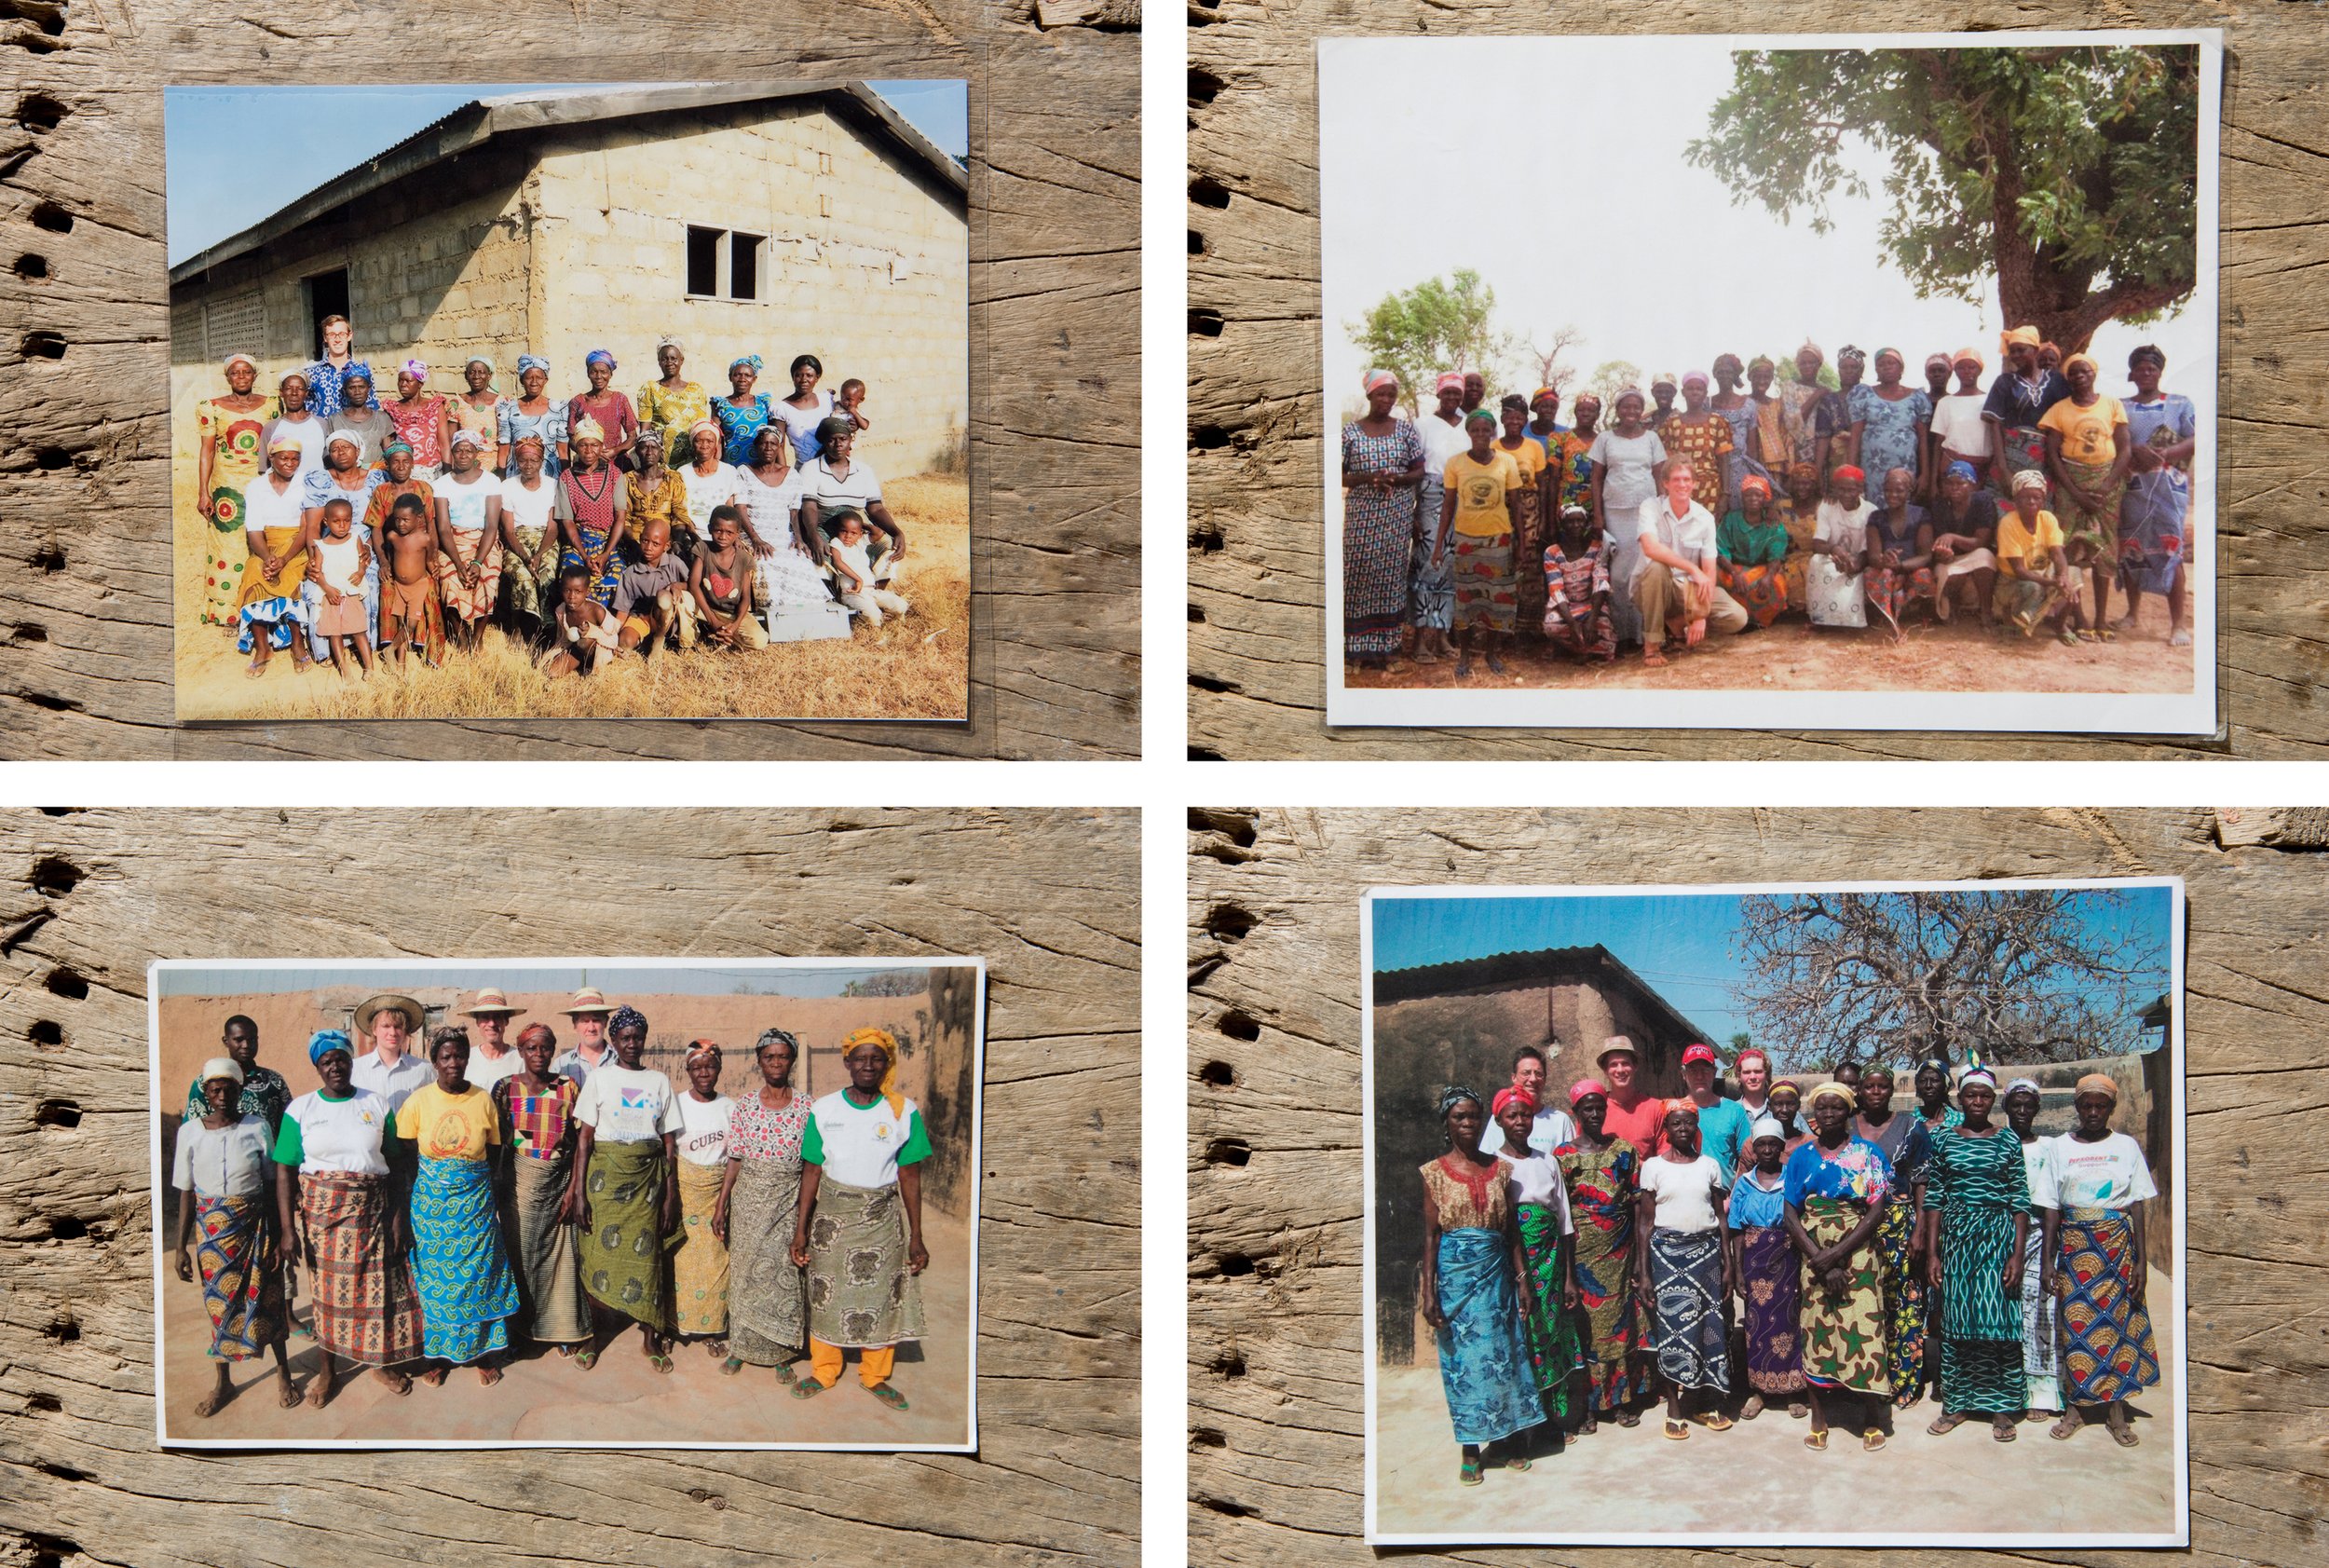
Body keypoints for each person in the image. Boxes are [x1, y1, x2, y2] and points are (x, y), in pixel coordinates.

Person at [273, 1029, 424, 1405]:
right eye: (327, 1061)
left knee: (377, 1293)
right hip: (322, 1219)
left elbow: (397, 1161)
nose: (335, 1066)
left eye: (341, 1058)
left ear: (350, 1062)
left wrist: (397, 1216)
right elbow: (284, 1171)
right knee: (327, 1299)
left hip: (373, 1211)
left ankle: (380, 1364)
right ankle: (328, 1372)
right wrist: (287, 1230)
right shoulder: (302, 1109)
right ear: (318, 1067)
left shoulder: (375, 1103)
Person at [790, 1028, 933, 1409]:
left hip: (881, 1218)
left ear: (887, 1064)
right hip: (832, 1220)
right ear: (847, 1063)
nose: (868, 1065)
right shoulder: (824, 1109)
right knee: (826, 1294)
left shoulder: (904, 1110)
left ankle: (874, 1375)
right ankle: (824, 1369)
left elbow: (910, 1175)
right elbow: (811, 1171)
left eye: (877, 1058)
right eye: (860, 1058)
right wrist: (801, 1230)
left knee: (880, 1295)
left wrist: (916, 1234)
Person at [1415, 1085, 1540, 1482]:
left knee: (1506, 1356)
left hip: (1497, 1276)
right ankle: (1471, 1447)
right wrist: (1429, 1292)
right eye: (1459, 1117)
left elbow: (1511, 1233)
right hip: (1456, 1282)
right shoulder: (1433, 1173)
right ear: (1447, 1124)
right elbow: (1432, 1237)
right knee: (1464, 1365)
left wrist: (1523, 1281)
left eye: (1473, 1116)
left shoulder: (1501, 1169)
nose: (1467, 1123)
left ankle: (1510, 1440)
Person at [2036, 1073, 2160, 1446]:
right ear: (2077, 1107)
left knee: (2119, 1327)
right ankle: (2076, 1409)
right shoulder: (2059, 1147)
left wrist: (2141, 1261)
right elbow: (2052, 1211)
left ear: (2111, 1108)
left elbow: (2137, 1206)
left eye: (2100, 1106)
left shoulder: (2125, 1146)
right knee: (2075, 1328)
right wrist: (2047, 1261)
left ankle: (2116, 1413)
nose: (2093, 1112)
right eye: (2086, 1105)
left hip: (2116, 1250)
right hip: (2074, 1250)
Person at [397, 1026, 519, 1384]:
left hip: (476, 1207)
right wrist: (406, 1214)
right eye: (446, 1057)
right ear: (435, 1061)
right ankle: (438, 1357)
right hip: (432, 1210)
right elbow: (406, 1163)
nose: (454, 1063)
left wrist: (491, 1201)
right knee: (437, 1285)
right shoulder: (418, 1102)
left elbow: (495, 1155)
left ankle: (483, 1354)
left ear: (467, 1058)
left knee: (479, 1280)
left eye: (460, 1056)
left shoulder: (482, 1099)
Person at [173, 1056, 294, 1414]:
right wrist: (180, 1247)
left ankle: (284, 1373)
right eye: (216, 1088)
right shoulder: (190, 1132)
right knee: (218, 1306)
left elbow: (273, 1185)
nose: (223, 1094)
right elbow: (185, 1191)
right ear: (207, 1093)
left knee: (268, 1301)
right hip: (213, 1235)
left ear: (240, 1090)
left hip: (255, 1228)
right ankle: (223, 1382)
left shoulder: (257, 1127)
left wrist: (275, 1235)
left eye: (230, 1088)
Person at [566, 1004, 682, 1371]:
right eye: (625, 1037)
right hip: (605, 1183)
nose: (632, 1043)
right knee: (598, 1257)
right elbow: (584, 1140)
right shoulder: (600, 1080)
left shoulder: (660, 1081)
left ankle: (650, 1338)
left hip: (647, 1186)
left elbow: (668, 1144)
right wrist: (580, 1193)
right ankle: (595, 1335)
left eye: (638, 1037)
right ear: (614, 1041)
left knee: (647, 1260)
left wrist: (670, 1195)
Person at [1783, 1081, 1896, 1451]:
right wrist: (1819, 1257)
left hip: (1858, 1252)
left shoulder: (1868, 1154)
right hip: (1813, 1252)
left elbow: (1877, 1209)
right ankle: (1819, 1418)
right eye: (1822, 1108)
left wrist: (1838, 1254)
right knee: (1816, 1330)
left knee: (1863, 1327)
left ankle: (1872, 1416)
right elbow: (1790, 1212)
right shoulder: (1801, 1156)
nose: (1828, 1114)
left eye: (1836, 1107)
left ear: (1849, 1112)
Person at [1923, 1068, 2029, 1438]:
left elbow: (2019, 1201)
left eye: (1985, 1096)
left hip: (1998, 1240)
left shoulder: (2008, 1141)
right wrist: (1933, 1253)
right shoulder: (1945, 1141)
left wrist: (2017, 1254)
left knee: (1998, 1320)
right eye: (1971, 1096)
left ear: (1993, 1099)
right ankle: (1956, 1403)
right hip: (1957, 1242)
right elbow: (1934, 1198)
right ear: (1962, 1098)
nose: (1978, 1102)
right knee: (1956, 1322)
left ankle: (2002, 1408)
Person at [715, 1028, 812, 1384]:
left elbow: (812, 1164)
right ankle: (740, 1348)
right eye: (769, 1057)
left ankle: (782, 1353)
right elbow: (735, 1158)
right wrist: (721, 1203)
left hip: (788, 1200)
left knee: (783, 1274)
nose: (776, 1063)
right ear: (759, 1061)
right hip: (749, 1203)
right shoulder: (744, 1105)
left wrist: (804, 1216)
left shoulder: (806, 1106)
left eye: (783, 1056)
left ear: (792, 1060)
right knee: (743, 1275)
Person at [1635, 1101, 1734, 1438]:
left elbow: (1721, 1218)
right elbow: (1646, 1223)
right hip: (1667, 1258)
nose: (1682, 1129)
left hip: (1706, 1255)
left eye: (1688, 1123)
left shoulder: (1709, 1165)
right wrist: (1645, 1272)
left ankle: (1707, 1402)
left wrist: (1728, 1265)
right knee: (1673, 1331)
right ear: (1667, 1129)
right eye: (1676, 1123)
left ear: (1696, 1127)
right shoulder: (1652, 1167)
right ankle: (1674, 1408)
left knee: (1709, 1328)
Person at [491, 1022, 589, 1354]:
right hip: (520, 1184)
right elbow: (498, 1144)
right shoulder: (505, 1088)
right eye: (531, 1048)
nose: (539, 1054)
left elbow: (579, 1143)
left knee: (560, 1259)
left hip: (559, 1181)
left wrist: (574, 1189)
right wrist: (498, 1188)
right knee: (520, 1258)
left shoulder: (568, 1087)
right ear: (520, 1052)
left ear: (553, 1050)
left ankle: (559, 1328)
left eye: (545, 1047)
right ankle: (520, 1330)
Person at [1553, 1081, 1643, 1430]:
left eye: (1599, 1107)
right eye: (1586, 1108)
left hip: (1619, 1250)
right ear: (1575, 1112)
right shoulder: (1563, 1156)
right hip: (1580, 1250)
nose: (1594, 1114)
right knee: (1585, 1329)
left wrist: (1637, 1258)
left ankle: (1619, 1400)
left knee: (1620, 1324)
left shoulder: (1624, 1151)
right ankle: (1589, 1405)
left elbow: (1637, 1207)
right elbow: (1560, 1212)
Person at [1495, 1088, 1578, 1433]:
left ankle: (1554, 1417)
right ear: (1499, 1120)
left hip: (1551, 1259)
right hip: (1512, 1262)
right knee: (1521, 1335)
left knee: (1551, 1331)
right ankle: (1525, 1421)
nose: (1519, 1122)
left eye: (1525, 1115)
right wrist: (1519, 1274)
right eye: (1512, 1115)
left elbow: (1564, 1222)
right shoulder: (1494, 1165)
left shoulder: (1547, 1161)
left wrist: (1570, 1276)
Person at [1854, 1064, 1935, 1408]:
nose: (1876, 1092)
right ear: (1859, 1090)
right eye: (1870, 1087)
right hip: (1855, 1225)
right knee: (1863, 1300)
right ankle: (1864, 1381)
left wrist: (1920, 1229)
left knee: (1904, 1301)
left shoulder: (1911, 1127)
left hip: (1900, 1223)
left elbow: (1922, 1183)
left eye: (1883, 1087)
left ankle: (1903, 1383)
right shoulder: (1845, 1125)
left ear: (1892, 1090)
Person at [2040, 351, 2132, 637]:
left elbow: (2125, 448)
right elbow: (2053, 455)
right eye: (2073, 373)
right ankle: (2077, 616)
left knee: (2104, 550)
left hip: (2107, 484)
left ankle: (2101, 620)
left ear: (2094, 373)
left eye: (2084, 372)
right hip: (2071, 485)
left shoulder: (2112, 405)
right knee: (2067, 549)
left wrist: (2106, 486)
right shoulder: (2059, 409)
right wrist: (2076, 493)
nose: (2079, 377)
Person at [1341, 368, 1425, 668]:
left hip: (1396, 514)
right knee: (1358, 575)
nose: (1387, 399)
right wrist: (1369, 478)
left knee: (1390, 578)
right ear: (1369, 395)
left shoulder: (1405, 430)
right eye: (1381, 394)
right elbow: (1341, 475)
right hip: (1362, 515)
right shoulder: (1350, 432)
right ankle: (1355, 653)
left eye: (1391, 394)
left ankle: (1389, 651)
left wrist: (1395, 479)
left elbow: (1418, 471)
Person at [734, 425, 851, 642]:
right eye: (763, 443)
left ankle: (808, 623)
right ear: (756, 446)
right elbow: (740, 509)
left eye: (773, 443)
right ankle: (777, 620)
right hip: (754, 536)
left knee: (801, 561)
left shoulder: (791, 475)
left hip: (783, 535)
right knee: (766, 563)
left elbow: (794, 512)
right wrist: (756, 540)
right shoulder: (744, 472)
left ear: (779, 446)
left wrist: (798, 538)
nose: (768, 448)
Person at [1727, 1116, 1805, 1419]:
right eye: (1762, 1145)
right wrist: (1737, 1270)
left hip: (1787, 1259)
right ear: (1754, 1150)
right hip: (1755, 1261)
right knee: (1756, 1326)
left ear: (1782, 1147)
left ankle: (1792, 1390)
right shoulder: (1745, 1185)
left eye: (1774, 1144)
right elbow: (1735, 1229)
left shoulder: (1793, 1180)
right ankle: (1759, 1390)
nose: (1769, 1150)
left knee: (1789, 1323)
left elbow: (1800, 1223)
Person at [1435, 405, 1522, 679]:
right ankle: (1464, 654)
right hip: (1466, 541)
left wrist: (1520, 542)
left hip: (1499, 540)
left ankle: (1491, 653)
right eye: (1476, 430)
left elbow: (1516, 505)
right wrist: (1438, 546)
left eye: (1486, 430)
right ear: (1469, 432)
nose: (1481, 434)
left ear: (1492, 431)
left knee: (1499, 600)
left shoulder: (1507, 462)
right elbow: (1448, 506)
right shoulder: (1456, 463)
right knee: (1466, 602)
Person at [2117, 345, 2195, 647]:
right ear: (2132, 373)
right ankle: (2132, 613)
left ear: (2160, 372)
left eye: (2152, 368)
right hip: (2134, 491)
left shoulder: (2180, 403)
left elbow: (2197, 438)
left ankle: (2177, 625)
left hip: (2168, 492)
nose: (2146, 373)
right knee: (2131, 549)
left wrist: (2168, 452)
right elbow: (2116, 444)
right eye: (2140, 368)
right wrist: (2135, 450)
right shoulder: (2121, 406)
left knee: (2171, 551)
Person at [1635, 461, 1750, 666]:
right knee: (1656, 567)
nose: (1682, 485)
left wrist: (1700, 615)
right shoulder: (1650, 507)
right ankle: (1652, 647)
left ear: (1694, 484)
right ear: (1665, 484)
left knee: (1737, 617)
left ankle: (1678, 625)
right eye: (1676, 480)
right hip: (1651, 588)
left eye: (1687, 479)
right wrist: (1691, 568)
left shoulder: (1704, 517)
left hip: (1689, 590)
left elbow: (1709, 571)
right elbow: (1650, 548)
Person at [194, 352, 279, 629]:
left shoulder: (271, 406)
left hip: (261, 483)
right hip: (226, 489)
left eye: (246, 372)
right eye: (235, 372)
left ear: (255, 375)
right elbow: (207, 452)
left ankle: (262, 606)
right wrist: (203, 492)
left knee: (263, 542)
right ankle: (228, 612)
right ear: (227, 377)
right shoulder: (211, 407)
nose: (241, 377)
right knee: (228, 546)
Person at [1587, 389, 1668, 649]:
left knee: (1645, 569)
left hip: (1646, 509)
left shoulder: (1652, 439)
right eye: (1626, 407)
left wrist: (1662, 511)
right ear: (1618, 409)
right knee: (1620, 574)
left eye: (1636, 407)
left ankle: (1645, 633)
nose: (1631, 412)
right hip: (1615, 510)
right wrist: (1598, 516)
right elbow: (1597, 478)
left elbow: (1659, 477)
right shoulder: (1605, 438)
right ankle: (1622, 634)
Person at [669, 1039, 734, 1357]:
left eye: (710, 1066)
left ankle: (710, 1327)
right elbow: (667, 1151)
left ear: (719, 1069)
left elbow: (734, 1158)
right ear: (688, 1071)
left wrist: (722, 1202)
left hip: (714, 1197)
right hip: (683, 1194)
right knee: (678, 1261)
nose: (704, 1073)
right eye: (697, 1067)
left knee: (713, 1262)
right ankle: (672, 1325)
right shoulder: (677, 1104)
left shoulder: (730, 1108)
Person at [297, 433, 386, 662]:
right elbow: (314, 527)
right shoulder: (321, 480)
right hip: (329, 547)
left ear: (358, 451)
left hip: (364, 546)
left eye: (346, 448)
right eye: (334, 449)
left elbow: (381, 522)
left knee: (372, 582)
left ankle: (362, 644)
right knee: (313, 587)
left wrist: (368, 550)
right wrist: (315, 560)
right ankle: (327, 649)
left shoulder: (376, 478)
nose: (340, 453)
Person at [2002, 1078, 2061, 1422]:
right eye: (2016, 1105)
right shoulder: (1996, 1142)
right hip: (1999, 1237)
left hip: (2039, 1236)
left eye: (2028, 1105)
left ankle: (2040, 1392)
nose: (2022, 1111)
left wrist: (2049, 1254)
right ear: (2006, 1107)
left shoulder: (2049, 1147)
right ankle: (2008, 1388)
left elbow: (2052, 1203)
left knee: (2040, 1313)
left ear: (2037, 1109)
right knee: (2007, 1315)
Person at [799, 417, 907, 605]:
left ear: (851, 440)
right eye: (832, 439)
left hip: (857, 528)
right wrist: (813, 536)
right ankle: (836, 598)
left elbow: (876, 508)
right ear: (824, 442)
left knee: (888, 545)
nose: (838, 444)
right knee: (821, 556)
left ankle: (873, 594)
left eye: (843, 439)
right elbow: (808, 507)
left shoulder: (863, 470)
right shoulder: (811, 468)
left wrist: (897, 532)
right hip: (823, 527)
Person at [234, 436, 315, 678]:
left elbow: (306, 528)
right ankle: (262, 649)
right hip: (266, 546)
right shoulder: (256, 486)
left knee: (290, 576)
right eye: (284, 458)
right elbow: (254, 530)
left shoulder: (306, 483)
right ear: (271, 457)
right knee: (253, 572)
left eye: (295, 458)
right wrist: (269, 558)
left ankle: (297, 646)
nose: (290, 463)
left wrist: (284, 559)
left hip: (296, 547)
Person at [1409, 373, 1471, 663]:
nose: (1452, 399)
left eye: (1456, 394)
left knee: (1451, 567)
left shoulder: (1468, 425)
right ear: (1438, 394)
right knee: (1427, 564)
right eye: (1447, 393)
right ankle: (1421, 639)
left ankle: (1443, 636)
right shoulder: (1423, 425)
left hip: (1463, 498)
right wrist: (1413, 514)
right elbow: (1415, 467)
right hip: (1432, 496)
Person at [1995, 469, 2086, 642]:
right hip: (2012, 582)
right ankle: (2014, 621)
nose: (2031, 501)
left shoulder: (2048, 519)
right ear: (2015, 500)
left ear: (2043, 501)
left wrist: (2063, 577)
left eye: (2036, 497)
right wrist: (2053, 582)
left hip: (2040, 575)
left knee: (2073, 576)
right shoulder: (2008, 523)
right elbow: (2019, 570)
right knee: (2033, 587)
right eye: (2025, 497)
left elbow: (2058, 554)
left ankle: (2060, 624)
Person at [432, 429, 505, 648]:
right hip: (453, 542)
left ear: (476, 454)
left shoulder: (491, 481)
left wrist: (476, 562)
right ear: (452, 453)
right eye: (458, 450)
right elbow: (444, 528)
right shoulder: (442, 484)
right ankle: (461, 633)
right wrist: (458, 563)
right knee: (450, 579)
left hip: (484, 541)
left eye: (468, 450)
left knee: (489, 578)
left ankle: (478, 636)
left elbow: (492, 526)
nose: (463, 454)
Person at [1982, 325, 2071, 493]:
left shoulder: (2057, 380)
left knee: (2040, 507)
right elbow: (1995, 426)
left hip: (2047, 458)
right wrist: (2003, 469)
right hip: (2011, 455)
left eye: (2021, 350)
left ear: (2036, 350)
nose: (2015, 356)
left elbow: (2067, 419)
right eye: (2012, 351)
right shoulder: (2005, 382)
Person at [1493, 395, 1551, 641]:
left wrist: (1543, 521)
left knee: (1530, 567)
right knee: (1503, 566)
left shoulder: (1534, 447)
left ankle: (1529, 631)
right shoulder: (1493, 447)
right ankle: (1501, 629)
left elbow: (1544, 484)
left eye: (1519, 417)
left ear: (1525, 420)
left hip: (1530, 511)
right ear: (1503, 418)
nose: (1514, 421)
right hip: (1501, 512)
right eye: (1509, 416)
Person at [555, 416, 629, 607]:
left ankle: (608, 628)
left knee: (618, 575)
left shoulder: (614, 475)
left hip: (608, 541)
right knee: (571, 576)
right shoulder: (567, 478)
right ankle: (576, 626)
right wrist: (584, 555)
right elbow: (568, 522)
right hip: (579, 542)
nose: (589, 451)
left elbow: (620, 517)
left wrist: (605, 554)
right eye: (583, 445)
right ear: (576, 448)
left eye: (594, 445)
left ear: (601, 446)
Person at [181, 1014, 294, 1134]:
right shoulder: (205, 1082)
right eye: (239, 1040)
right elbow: (191, 1131)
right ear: (226, 1041)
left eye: (252, 1040)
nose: (246, 1045)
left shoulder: (274, 1081)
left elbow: (289, 1127)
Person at [495, 435, 561, 640]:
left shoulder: (553, 485)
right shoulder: (508, 486)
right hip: (517, 541)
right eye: (522, 460)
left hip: (545, 540)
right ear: (516, 461)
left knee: (547, 573)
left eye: (534, 460)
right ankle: (518, 625)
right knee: (522, 575)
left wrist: (539, 555)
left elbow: (552, 528)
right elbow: (509, 531)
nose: (528, 465)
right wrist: (525, 557)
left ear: (541, 462)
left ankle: (547, 626)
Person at [304, 498, 374, 678]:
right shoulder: (321, 546)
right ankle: (345, 671)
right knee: (334, 633)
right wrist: (327, 588)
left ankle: (369, 667)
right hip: (332, 594)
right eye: (336, 521)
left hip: (351, 591)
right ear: (326, 521)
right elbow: (317, 573)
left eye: (347, 520)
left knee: (359, 630)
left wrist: (361, 571)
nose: (342, 526)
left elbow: (362, 560)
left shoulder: (355, 539)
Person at [1863, 466, 1935, 639]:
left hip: (1910, 570)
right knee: (1881, 573)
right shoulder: (1876, 517)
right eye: (1888, 490)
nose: (1892, 495)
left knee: (1924, 575)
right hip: (1885, 570)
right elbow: (1873, 556)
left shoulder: (1920, 515)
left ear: (1909, 491)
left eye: (1899, 491)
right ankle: (1887, 615)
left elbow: (1926, 555)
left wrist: (1901, 565)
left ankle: (1905, 610)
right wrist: (1885, 561)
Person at [1848, 348, 1931, 497]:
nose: (1886, 367)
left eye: (1891, 363)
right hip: (1871, 469)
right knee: (1872, 510)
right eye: (1881, 364)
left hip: (1904, 467)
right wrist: (1851, 470)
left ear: (1901, 368)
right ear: (1876, 370)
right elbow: (1855, 437)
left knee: (1900, 508)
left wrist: (1925, 474)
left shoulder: (1917, 397)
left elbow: (1923, 439)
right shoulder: (1864, 394)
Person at [1927, 461, 2001, 625]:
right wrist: (1943, 554)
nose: (1954, 488)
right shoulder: (1939, 505)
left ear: (1972, 485)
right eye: (1949, 483)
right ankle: (1952, 608)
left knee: (1985, 558)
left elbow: (1981, 542)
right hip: (1952, 558)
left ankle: (1986, 610)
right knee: (1949, 571)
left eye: (1960, 483)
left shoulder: (1983, 501)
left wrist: (1953, 537)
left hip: (1974, 553)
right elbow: (1938, 546)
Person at [1540, 503, 1615, 663]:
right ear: (1562, 525)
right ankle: (1582, 649)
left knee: (1604, 630)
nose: (1576, 525)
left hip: (1591, 605)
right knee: (1551, 627)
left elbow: (1600, 582)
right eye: (1570, 522)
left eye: (1580, 521)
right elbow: (1556, 590)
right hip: (1566, 608)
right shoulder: (1552, 552)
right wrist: (1572, 623)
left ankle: (1580, 649)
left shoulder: (1596, 548)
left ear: (1587, 523)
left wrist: (1592, 619)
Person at [378, 495, 447, 669]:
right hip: (399, 587)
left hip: (418, 586)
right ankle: (400, 664)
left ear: (418, 518)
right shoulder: (392, 536)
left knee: (410, 625)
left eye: (406, 520)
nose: (401, 524)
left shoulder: (425, 539)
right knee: (401, 623)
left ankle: (389, 650)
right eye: (397, 519)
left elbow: (430, 561)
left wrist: (437, 580)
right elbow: (390, 556)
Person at [1658, 372, 1735, 525]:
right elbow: (1666, 464)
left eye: (1699, 389)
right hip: (1680, 489)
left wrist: (1725, 495)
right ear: (1683, 392)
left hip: (1710, 490)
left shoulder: (1717, 422)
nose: (1695, 392)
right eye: (1690, 388)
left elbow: (1724, 461)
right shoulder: (1672, 424)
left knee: (1706, 537)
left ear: (1705, 393)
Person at [1804, 465, 1873, 630]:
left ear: (1860, 489)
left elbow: (1868, 549)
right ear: (1835, 489)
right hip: (1832, 556)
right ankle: (1822, 619)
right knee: (1816, 561)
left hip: (1860, 560)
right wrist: (1835, 550)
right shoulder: (1827, 507)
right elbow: (1818, 543)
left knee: (1856, 574)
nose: (1846, 494)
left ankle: (1850, 621)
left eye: (1851, 489)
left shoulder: (1871, 511)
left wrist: (1855, 563)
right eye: (1841, 489)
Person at [1716, 475, 1793, 626]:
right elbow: (1721, 550)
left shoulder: (1773, 524)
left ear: (1765, 499)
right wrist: (1734, 572)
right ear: (1742, 497)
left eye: (1758, 495)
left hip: (1763, 568)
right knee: (1721, 579)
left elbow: (1776, 556)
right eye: (1748, 495)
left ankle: (1760, 621)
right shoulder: (1731, 520)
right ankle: (1735, 619)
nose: (1753, 499)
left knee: (1776, 584)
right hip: (1735, 568)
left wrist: (1769, 576)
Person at [691, 508, 771, 651]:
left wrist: (735, 626)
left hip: (731, 613)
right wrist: (712, 621)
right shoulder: (702, 548)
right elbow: (694, 585)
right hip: (704, 608)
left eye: (729, 533)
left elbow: (745, 598)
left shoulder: (744, 559)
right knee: (683, 601)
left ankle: (724, 635)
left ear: (737, 534)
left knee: (759, 641)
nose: (723, 536)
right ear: (710, 529)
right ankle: (692, 639)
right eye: (718, 531)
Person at [614, 520, 699, 654]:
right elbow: (623, 611)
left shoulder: (675, 563)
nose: (648, 547)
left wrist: (678, 585)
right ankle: (645, 641)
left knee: (664, 597)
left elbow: (694, 586)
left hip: (668, 619)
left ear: (667, 545)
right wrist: (613, 635)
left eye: (656, 544)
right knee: (625, 642)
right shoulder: (631, 572)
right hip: (644, 617)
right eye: (645, 541)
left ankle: (663, 639)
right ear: (640, 539)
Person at [1478, 1045, 1577, 1158]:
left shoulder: (1561, 1121)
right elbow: (1486, 1160)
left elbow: (1570, 1164)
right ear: (1513, 1077)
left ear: (1545, 1079)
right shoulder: (1501, 1119)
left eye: (1538, 1074)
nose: (1533, 1079)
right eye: (1526, 1073)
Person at [349, 994, 431, 1114]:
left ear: (405, 1030)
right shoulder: (355, 1069)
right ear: (374, 1029)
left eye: (398, 1027)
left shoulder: (423, 1069)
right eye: (386, 1026)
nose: (392, 1032)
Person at [1927, 348, 1994, 491]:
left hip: (1983, 468)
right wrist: (1933, 482)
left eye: (1972, 367)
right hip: (1951, 465)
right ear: (1954, 371)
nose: (1967, 371)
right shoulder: (1945, 402)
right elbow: (1938, 444)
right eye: (1961, 367)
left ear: (1980, 370)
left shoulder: (1989, 400)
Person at [1679, 1043, 1750, 1175]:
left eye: (1705, 1070)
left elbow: (1747, 1160)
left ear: (1714, 1072)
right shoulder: (1673, 1112)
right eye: (1693, 1070)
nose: (1699, 1076)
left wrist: (1735, 1192)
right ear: (1684, 1074)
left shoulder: (1735, 1111)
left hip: (1725, 1194)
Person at [621, 427, 690, 562]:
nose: (649, 452)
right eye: (644, 447)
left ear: (661, 452)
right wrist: (633, 544)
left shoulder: (673, 478)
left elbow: (679, 516)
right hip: (636, 539)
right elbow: (624, 518)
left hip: (666, 538)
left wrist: (677, 542)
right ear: (637, 452)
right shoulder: (627, 479)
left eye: (654, 447)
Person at [637, 337, 712, 461]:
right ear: (659, 362)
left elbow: (701, 427)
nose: (669, 362)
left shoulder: (696, 390)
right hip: (662, 459)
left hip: (692, 458)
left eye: (673, 358)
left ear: (681, 360)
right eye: (664, 359)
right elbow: (645, 431)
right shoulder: (650, 389)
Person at [1709, 354, 1765, 515]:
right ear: (1714, 374)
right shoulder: (1707, 404)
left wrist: (1753, 478)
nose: (1724, 376)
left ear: (1735, 375)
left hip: (1741, 469)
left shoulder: (1748, 405)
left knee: (1740, 513)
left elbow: (1752, 447)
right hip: (1714, 470)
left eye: (1728, 372)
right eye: (1720, 372)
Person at [679, 419, 742, 564]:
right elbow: (681, 511)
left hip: (722, 535)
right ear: (692, 444)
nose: (704, 446)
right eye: (699, 441)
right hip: (693, 535)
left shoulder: (728, 471)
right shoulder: (683, 472)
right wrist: (694, 536)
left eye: (709, 441)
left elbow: (730, 508)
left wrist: (734, 538)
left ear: (716, 445)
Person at [566, 348, 638, 468]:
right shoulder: (578, 401)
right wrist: (593, 453)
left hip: (617, 463)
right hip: (587, 464)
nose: (599, 376)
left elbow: (632, 437)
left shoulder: (620, 400)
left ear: (610, 374)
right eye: (594, 372)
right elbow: (572, 439)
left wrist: (615, 451)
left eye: (603, 372)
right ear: (588, 374)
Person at [498, 355, 568, 478]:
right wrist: (501, 479)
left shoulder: (559, 408)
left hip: (550, 476)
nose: (534, 382)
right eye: (529, 378)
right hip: (517, 476)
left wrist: (567, 480)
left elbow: (563, 450)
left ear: (545, 380)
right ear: (521, 380)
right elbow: (504, 450)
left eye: (539, 378)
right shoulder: (508, 409)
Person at [1595, 1035, 1665, 1157]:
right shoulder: (1594, 1110)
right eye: (1613, 1064)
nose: (1620, 1070)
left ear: (1635, 1066)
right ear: (1605, 1070)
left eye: (1625, 1063)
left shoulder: (1656, 1108)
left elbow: (1665, 1161)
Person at [382, 361, 451, 480]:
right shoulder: (392, 409)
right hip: (403, 474)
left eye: (408, 381)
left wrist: (448, 474)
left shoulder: (435, 407)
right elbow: (388, 445)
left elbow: (444, 444)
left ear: (420, 384)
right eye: (400, 380)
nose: (403, 384)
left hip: (432, 472)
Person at [258, 372, 327, 481]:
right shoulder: (271, 428)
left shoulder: (321, 424)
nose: (294, 393)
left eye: (299, 388)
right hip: (285, 493)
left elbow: (329, 461)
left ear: (306, 393)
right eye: (289, 388)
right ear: (281, 392)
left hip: (317, 492)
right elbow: (263, 469)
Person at [323, 367, 395, 471]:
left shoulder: (382, 418)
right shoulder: (335, 420)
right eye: (352, 387)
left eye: (361, 387)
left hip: (377, 475)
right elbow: (331, 453)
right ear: (345, 390)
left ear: (369, 389)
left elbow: (389, 451)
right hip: (347, 478)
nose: (357, 392)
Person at [456, 989, 526, 1094]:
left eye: (497, 1017)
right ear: (477, 1022)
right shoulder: (467, 1058)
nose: (492, 1024)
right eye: (485, 1017)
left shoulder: (520, 1060)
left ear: (506, 1021)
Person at [296, 314, 365, 419]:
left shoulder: (362, 372)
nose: (337, 339)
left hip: (351, 433)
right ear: (325, 338)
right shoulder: (311, 373)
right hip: (320, 434)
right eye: (332, 334)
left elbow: (371, 408)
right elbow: (302, 409)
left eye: (342, 334)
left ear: (349, 336)